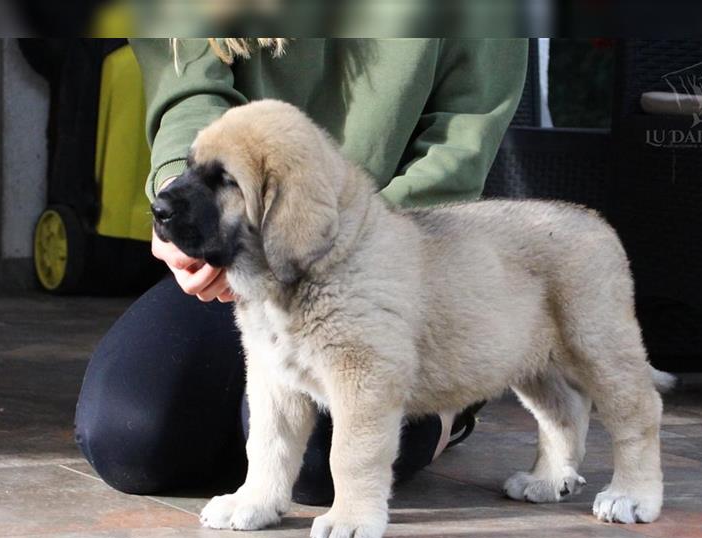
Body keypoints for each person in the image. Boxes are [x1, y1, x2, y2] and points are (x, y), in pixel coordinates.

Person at [74, 38, 527, 505]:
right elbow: (187, 81)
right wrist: (187, 190)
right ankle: (255, 434)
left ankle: (450, 395)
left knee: (321, 472)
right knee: (129, 441)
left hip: (389, 255)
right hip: (247, 245)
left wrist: (346, 242)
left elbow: (463, 132)